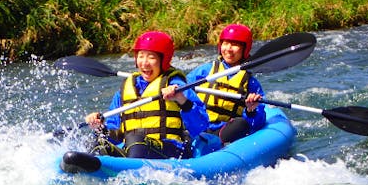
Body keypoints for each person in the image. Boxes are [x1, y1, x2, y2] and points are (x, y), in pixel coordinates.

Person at [84, 31, 209, 159]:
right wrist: (100, 126)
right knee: (98, 143)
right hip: (134, 148)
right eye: (141, 56)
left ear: (164, 60)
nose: (144, 63)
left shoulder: (176, 85)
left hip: (171, 150)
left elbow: (201, 125)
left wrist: (181, 99)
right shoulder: (125, 89)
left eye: (151, 57)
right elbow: (114, 129)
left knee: (135, 140)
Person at [187, 23, 266, 144]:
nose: (228, 49)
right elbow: (183, 88)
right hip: (199, 125)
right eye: (225, 43)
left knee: (241, 124)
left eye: (234, 45)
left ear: (245, 49)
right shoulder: (205, 71)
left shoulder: (251, 82)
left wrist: (251, 110)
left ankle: (218, 145)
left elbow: (257, 122)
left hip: (224, 130)